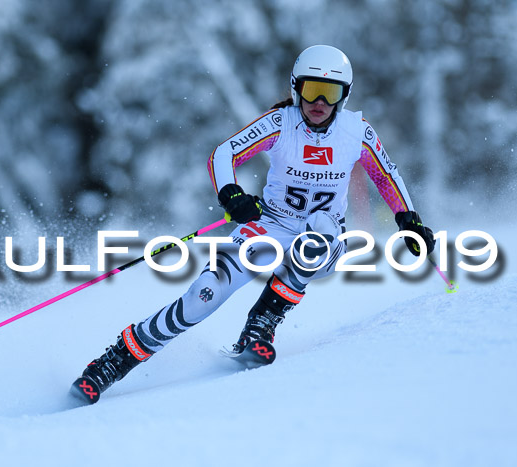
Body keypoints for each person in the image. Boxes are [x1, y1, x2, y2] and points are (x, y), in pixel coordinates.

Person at [71, 45, 436, 403]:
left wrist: (409, 220)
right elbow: (224, 153)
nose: (319, 102)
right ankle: (113, 362)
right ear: (296, 88)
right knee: (203, 297)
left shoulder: (356, 131)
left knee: (319, 236)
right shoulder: (281, 123)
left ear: (344, 96)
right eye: (311, 90)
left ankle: (260, 326)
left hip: (322, 233)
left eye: (330, 93)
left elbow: (386, 174)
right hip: (270, 224)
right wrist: (232, 195)